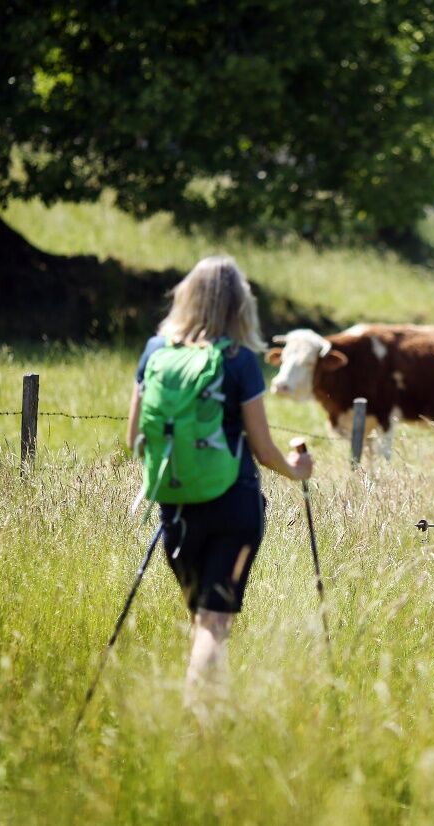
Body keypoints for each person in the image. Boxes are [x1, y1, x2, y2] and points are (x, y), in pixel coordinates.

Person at [126, 255, 312, 704]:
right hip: (234, 506)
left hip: (176, 505)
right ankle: (201, 723)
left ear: (186, 297)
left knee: (201, 618)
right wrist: (296, 470)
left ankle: (212, 715)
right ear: (239, 305)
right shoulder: (239, 360)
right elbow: (264, 450)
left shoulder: (155, 352)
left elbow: (134, 439)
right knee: (214, 623)